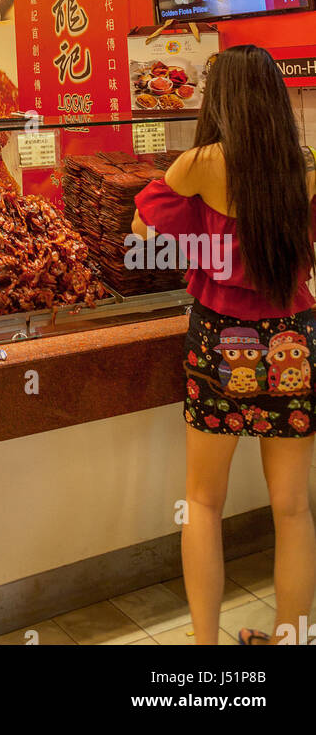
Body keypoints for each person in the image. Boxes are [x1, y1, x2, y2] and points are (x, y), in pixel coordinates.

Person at [132, 45, 316, 647]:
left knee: (203, 504)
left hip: (221, 340)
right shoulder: (305, 166)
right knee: (292, 509)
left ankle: (207, 650)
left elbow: (144, 229)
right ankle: (290, 639)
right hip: (294, 339)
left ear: (219, 99)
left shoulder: (202, 162)